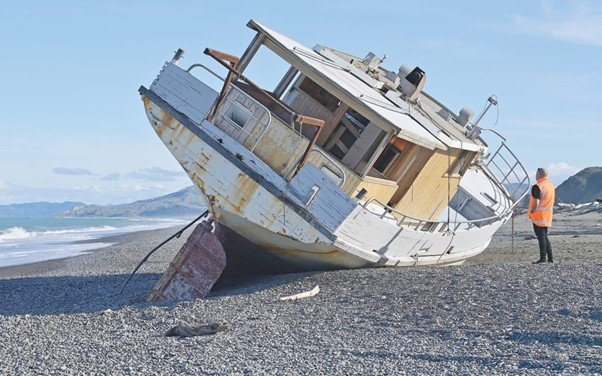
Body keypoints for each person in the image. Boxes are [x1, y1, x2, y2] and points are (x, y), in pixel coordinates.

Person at [528, 168, 556, 263]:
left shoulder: (538, 186)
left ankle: (543, 258)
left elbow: (536, 201)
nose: (535, 174)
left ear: (540, 174)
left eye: (536, 173)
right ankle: (550, 258)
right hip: (547, 216)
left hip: (538, 216)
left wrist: (532, 211)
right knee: (544, 236)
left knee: (541, 237)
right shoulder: (551, 186)